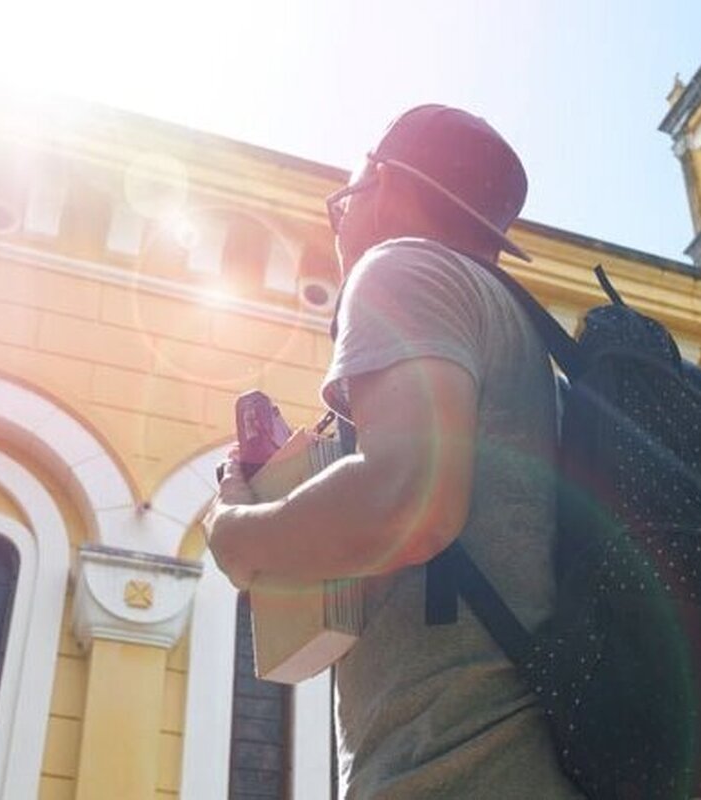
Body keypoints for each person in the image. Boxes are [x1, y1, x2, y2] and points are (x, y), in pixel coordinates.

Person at [203, 105, 582, 799]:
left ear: (385, 185)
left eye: (341, 203)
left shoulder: (400, 267)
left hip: (452, 769)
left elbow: (410, 503)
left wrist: (240, 535)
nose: (340, 225)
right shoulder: (527, 347)